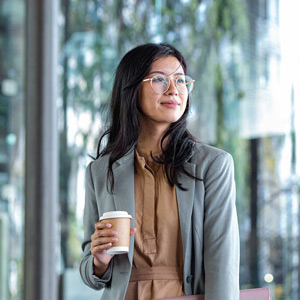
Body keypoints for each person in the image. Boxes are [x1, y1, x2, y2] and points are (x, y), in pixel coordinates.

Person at [79, 43, 240, 300]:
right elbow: (90, 274)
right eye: (159, 80)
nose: (174, 90)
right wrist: (99, 260)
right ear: (131, 89)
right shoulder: (100, 171)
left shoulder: (213, 165)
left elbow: (223, 264)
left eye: (180, 80)